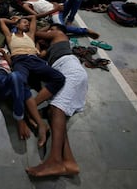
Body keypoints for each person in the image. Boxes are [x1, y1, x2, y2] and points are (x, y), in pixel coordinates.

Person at [26, 23, 87, 177]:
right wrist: (39, 46)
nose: (50, 32)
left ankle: (54, 161)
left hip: (70, 71)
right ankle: (69, 161)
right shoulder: (52, 49)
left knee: (57, 109)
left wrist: (46, 29)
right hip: (65, 73)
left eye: (51, 30)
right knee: (54, 113)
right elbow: (39, 55)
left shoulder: (59, 35)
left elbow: (36, 33)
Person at [0, 16, 66, 121]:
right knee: (19, 82)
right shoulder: (10, 36)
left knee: (59, 78)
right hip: (19, 61)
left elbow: (34, 17)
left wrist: (24, 19)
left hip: (35, 60)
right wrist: (14, 21)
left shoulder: (30, 35)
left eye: (28, 23)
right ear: (17, 25)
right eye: (24, 22)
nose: (27, 24)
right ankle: (28, 112)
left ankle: (31, 106)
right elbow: (2, 20)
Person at [13, 0, 100, 38]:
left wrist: (55, 4)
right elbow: (36, 16)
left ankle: (70, 19)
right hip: (53, 14)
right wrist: (55, 10)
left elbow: (48, 3)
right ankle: (85, 31)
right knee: (61, 27)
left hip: (58, 8)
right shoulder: (26, 5)